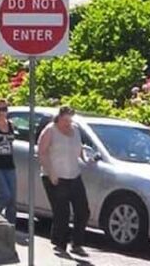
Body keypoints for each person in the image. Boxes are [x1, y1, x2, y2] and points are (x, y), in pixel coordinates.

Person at [38, 106, 90, 257]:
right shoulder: (50, 130)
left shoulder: (75, 129)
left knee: (83, 211)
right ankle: (59, 244)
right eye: (65, 120)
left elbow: (79, 148)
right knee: (62, 213)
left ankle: (77, 244)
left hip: (74, 175)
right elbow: (41, 152)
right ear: (59, 118)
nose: (68, 123)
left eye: (70, 120)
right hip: (55, 176)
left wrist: (86, 158)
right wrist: (51, 172)